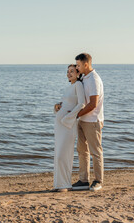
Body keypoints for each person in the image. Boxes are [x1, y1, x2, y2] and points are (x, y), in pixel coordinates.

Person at [72, 53, 104, 191]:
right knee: (82, 151)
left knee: (95, 151)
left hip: (92, 121)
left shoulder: (94, 80)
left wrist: (76, 114)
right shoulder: (84, 78)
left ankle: (98, 181)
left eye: (78, 65)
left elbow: (93, 104)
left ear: (86, 64)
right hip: (82, 120)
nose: (77, 68)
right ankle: (83, 180)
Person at [51, 64, 85, 192]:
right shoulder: (69, 87)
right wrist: (57, 107)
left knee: (64, 154)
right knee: (58, 154)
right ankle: (58, 184)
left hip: (68, 124)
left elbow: (82, 104)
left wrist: (69, 117)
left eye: (72, 71)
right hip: (60, 126)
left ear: (78, 73)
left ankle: (65, 184)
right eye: (67, 72)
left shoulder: (79, 85)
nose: (69, 74)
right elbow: (66, 104)